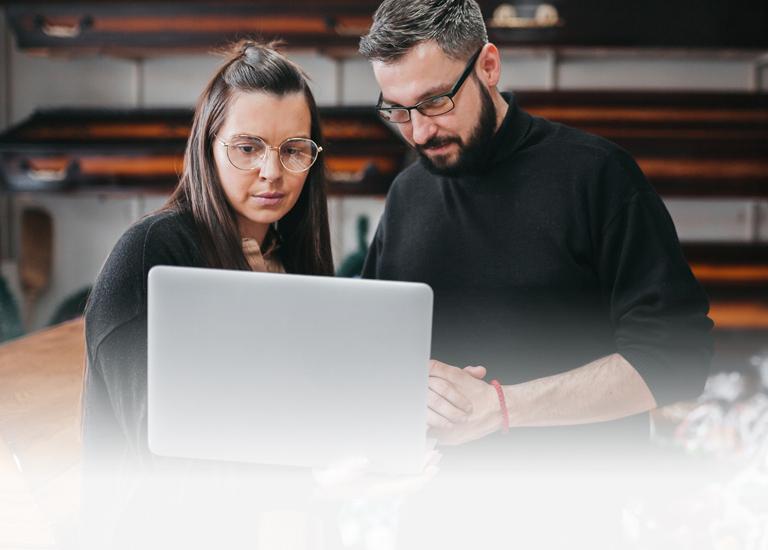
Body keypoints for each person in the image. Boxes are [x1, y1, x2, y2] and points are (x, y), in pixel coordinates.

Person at [358, 0, 714, 547]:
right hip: (430, 523)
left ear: (489, 66)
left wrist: (500, 408)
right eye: (398, 110)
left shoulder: (596, 176)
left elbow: (676, 358)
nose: (419, 133)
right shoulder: (408, 194)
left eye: (434, 102)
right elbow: (372, 352)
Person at [79, 40, 337, 549]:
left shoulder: (293, 262)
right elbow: (172, 461)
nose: (272, 171)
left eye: (294, 149)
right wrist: (314, 482)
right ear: (208, 146)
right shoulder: (152, 254)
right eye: (247, 148)